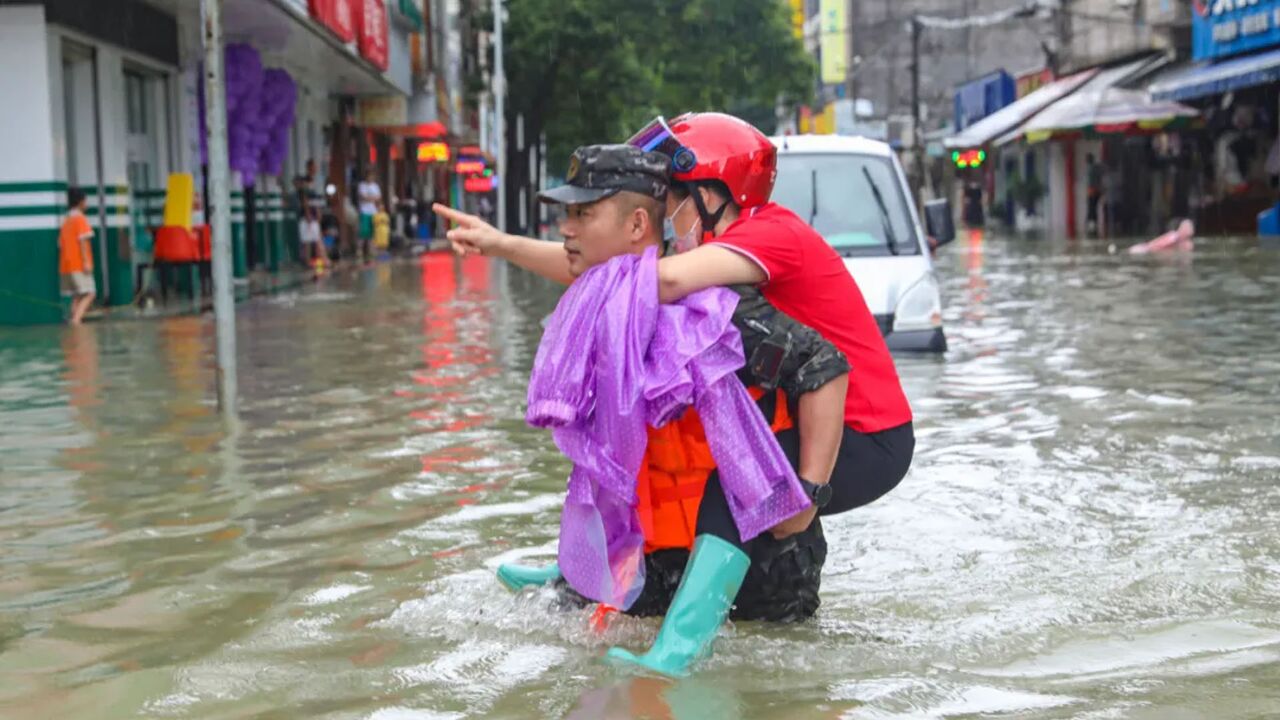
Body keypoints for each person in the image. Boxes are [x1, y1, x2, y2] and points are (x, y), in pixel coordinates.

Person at [436, 114, 915, 669]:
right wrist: (500, 244)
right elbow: (610, 272)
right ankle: (586, 570)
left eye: (677, 199)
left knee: (733, 495)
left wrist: (808, 494)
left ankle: (675, 655)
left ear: (713, 195)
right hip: (800, 414)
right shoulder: (724, 246)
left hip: (862, 431)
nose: (670, 216)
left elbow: (652, 280)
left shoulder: (767, 233)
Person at [58, 188, 97, 325]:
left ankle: (72, 319)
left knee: (77, 294)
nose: (87, 203)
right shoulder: (80, 219)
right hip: (78, 264)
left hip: (65, 265)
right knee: (90, 293)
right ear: (80, 202)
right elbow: (83, 241)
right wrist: (86, 262)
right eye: (85, 201)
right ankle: (76, 320)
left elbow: (60, 244)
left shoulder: (66, 220)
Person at [357, 170, 381, 260]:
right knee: (363, 231)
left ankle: (372, 250)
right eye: (369, 176)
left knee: (372, 232)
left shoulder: (375, 186)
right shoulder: (362, 185)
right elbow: (363, 197)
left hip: (373, 211)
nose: (371, 178)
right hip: (364, 211)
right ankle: (359, 249)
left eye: (372, 176)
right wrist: (372, 198)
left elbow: (378, 197)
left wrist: (370, 198)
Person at [1086, 153, 1103, 236]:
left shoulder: (1091, 169)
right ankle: (1093, 224)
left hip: (1092, 191)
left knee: (1091, 209)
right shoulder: (1097, 168)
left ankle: (1092, 225)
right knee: (1094, 208)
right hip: (1097, 191)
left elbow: (1091, 182)